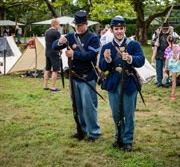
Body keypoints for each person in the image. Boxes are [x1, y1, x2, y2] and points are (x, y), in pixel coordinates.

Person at [52, 11, 101, 142]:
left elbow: (91, 55)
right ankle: (81, 129)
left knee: (89, 106)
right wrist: (59, 41)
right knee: (77, 106)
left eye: (80, 25)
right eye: (76, 25)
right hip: (73, 77)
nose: (78, 27)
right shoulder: (71, 36)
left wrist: (74, 55)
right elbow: (54, 47)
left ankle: (94, 132)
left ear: (86, 23)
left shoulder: (93, 38)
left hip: (87, 77)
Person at [99, 17, 145, 152]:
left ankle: (128, 140)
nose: (119, 31)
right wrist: (107, 59)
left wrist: (130, 58)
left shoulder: (134, 45)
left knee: (128, 113)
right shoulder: (107, 47)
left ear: (125, 29)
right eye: (116, 29)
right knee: (116, 113)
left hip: (129, 82)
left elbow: (141, 60)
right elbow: (102, 67)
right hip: (113, 83)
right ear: (112, 30)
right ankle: (119, 136)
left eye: (121, 29)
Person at [43, 19, 62, 92]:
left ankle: (45, 86)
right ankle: (53, 87)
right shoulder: (56, 33)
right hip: (54, 53)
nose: (59, 26)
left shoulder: (46, 32)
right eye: (59, 25)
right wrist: (60, 50)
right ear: (56, 25)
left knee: (47, 69)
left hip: (47, 52)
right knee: (55, 70)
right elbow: (59, 43)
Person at [163, 35, 180, 99]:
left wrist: (165, 68)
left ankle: (165, 74)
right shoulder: (178, 47)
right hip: (175, 65)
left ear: (167, 40)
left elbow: (166, 59)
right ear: (174, 40)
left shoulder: (167, 49)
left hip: (169, 64)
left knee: (165, 72)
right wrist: (177, 58)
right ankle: (172, 95)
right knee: (174, 80)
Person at [152, 22, 171, 88]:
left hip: (166, 55)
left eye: (165, 29)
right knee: (158, 69)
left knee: (166, 70)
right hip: (158, 54)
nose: (164, 30)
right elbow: (152, 41)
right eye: (163, 28)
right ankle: (159, 82)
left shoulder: (170, 36)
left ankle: (166, 83)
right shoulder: (159, 35)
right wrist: (155, 43)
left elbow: (174, 44)